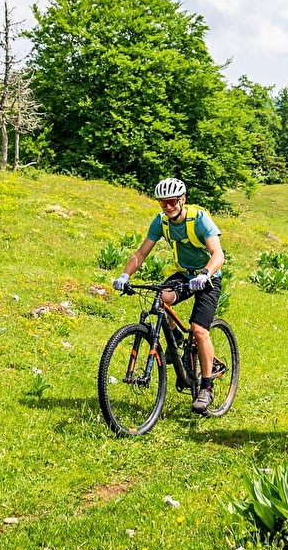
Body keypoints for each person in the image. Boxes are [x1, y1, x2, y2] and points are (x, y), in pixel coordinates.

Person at [112, 177, 226, 414]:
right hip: (184, 274)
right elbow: (141, 252)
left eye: (172, 201)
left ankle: (206, 387)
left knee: (199, 329)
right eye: (163, 203)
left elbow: (218, 254)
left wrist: (205, 274)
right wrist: (124, 275)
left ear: (182, 199)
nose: (168, 207)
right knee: (161, 297)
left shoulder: (199, 219)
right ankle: (176, 342)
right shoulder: (161, 222)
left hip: (208, 278)